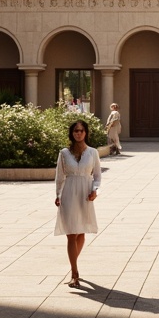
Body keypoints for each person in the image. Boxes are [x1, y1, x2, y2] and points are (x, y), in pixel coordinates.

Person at [54, 119, 100, 287]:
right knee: (71, 234)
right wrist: (58, 194)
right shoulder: (64, 153)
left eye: (81, 130)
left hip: (85, 194)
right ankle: (75, 273)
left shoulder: (93, 152)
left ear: (86, 132)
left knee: (81, 232)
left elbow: (97, 176)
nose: (78, 133)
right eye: (75, 131)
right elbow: (59, 176)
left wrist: (95, 190)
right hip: (69, 193)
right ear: (71, 134)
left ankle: (73, 264)